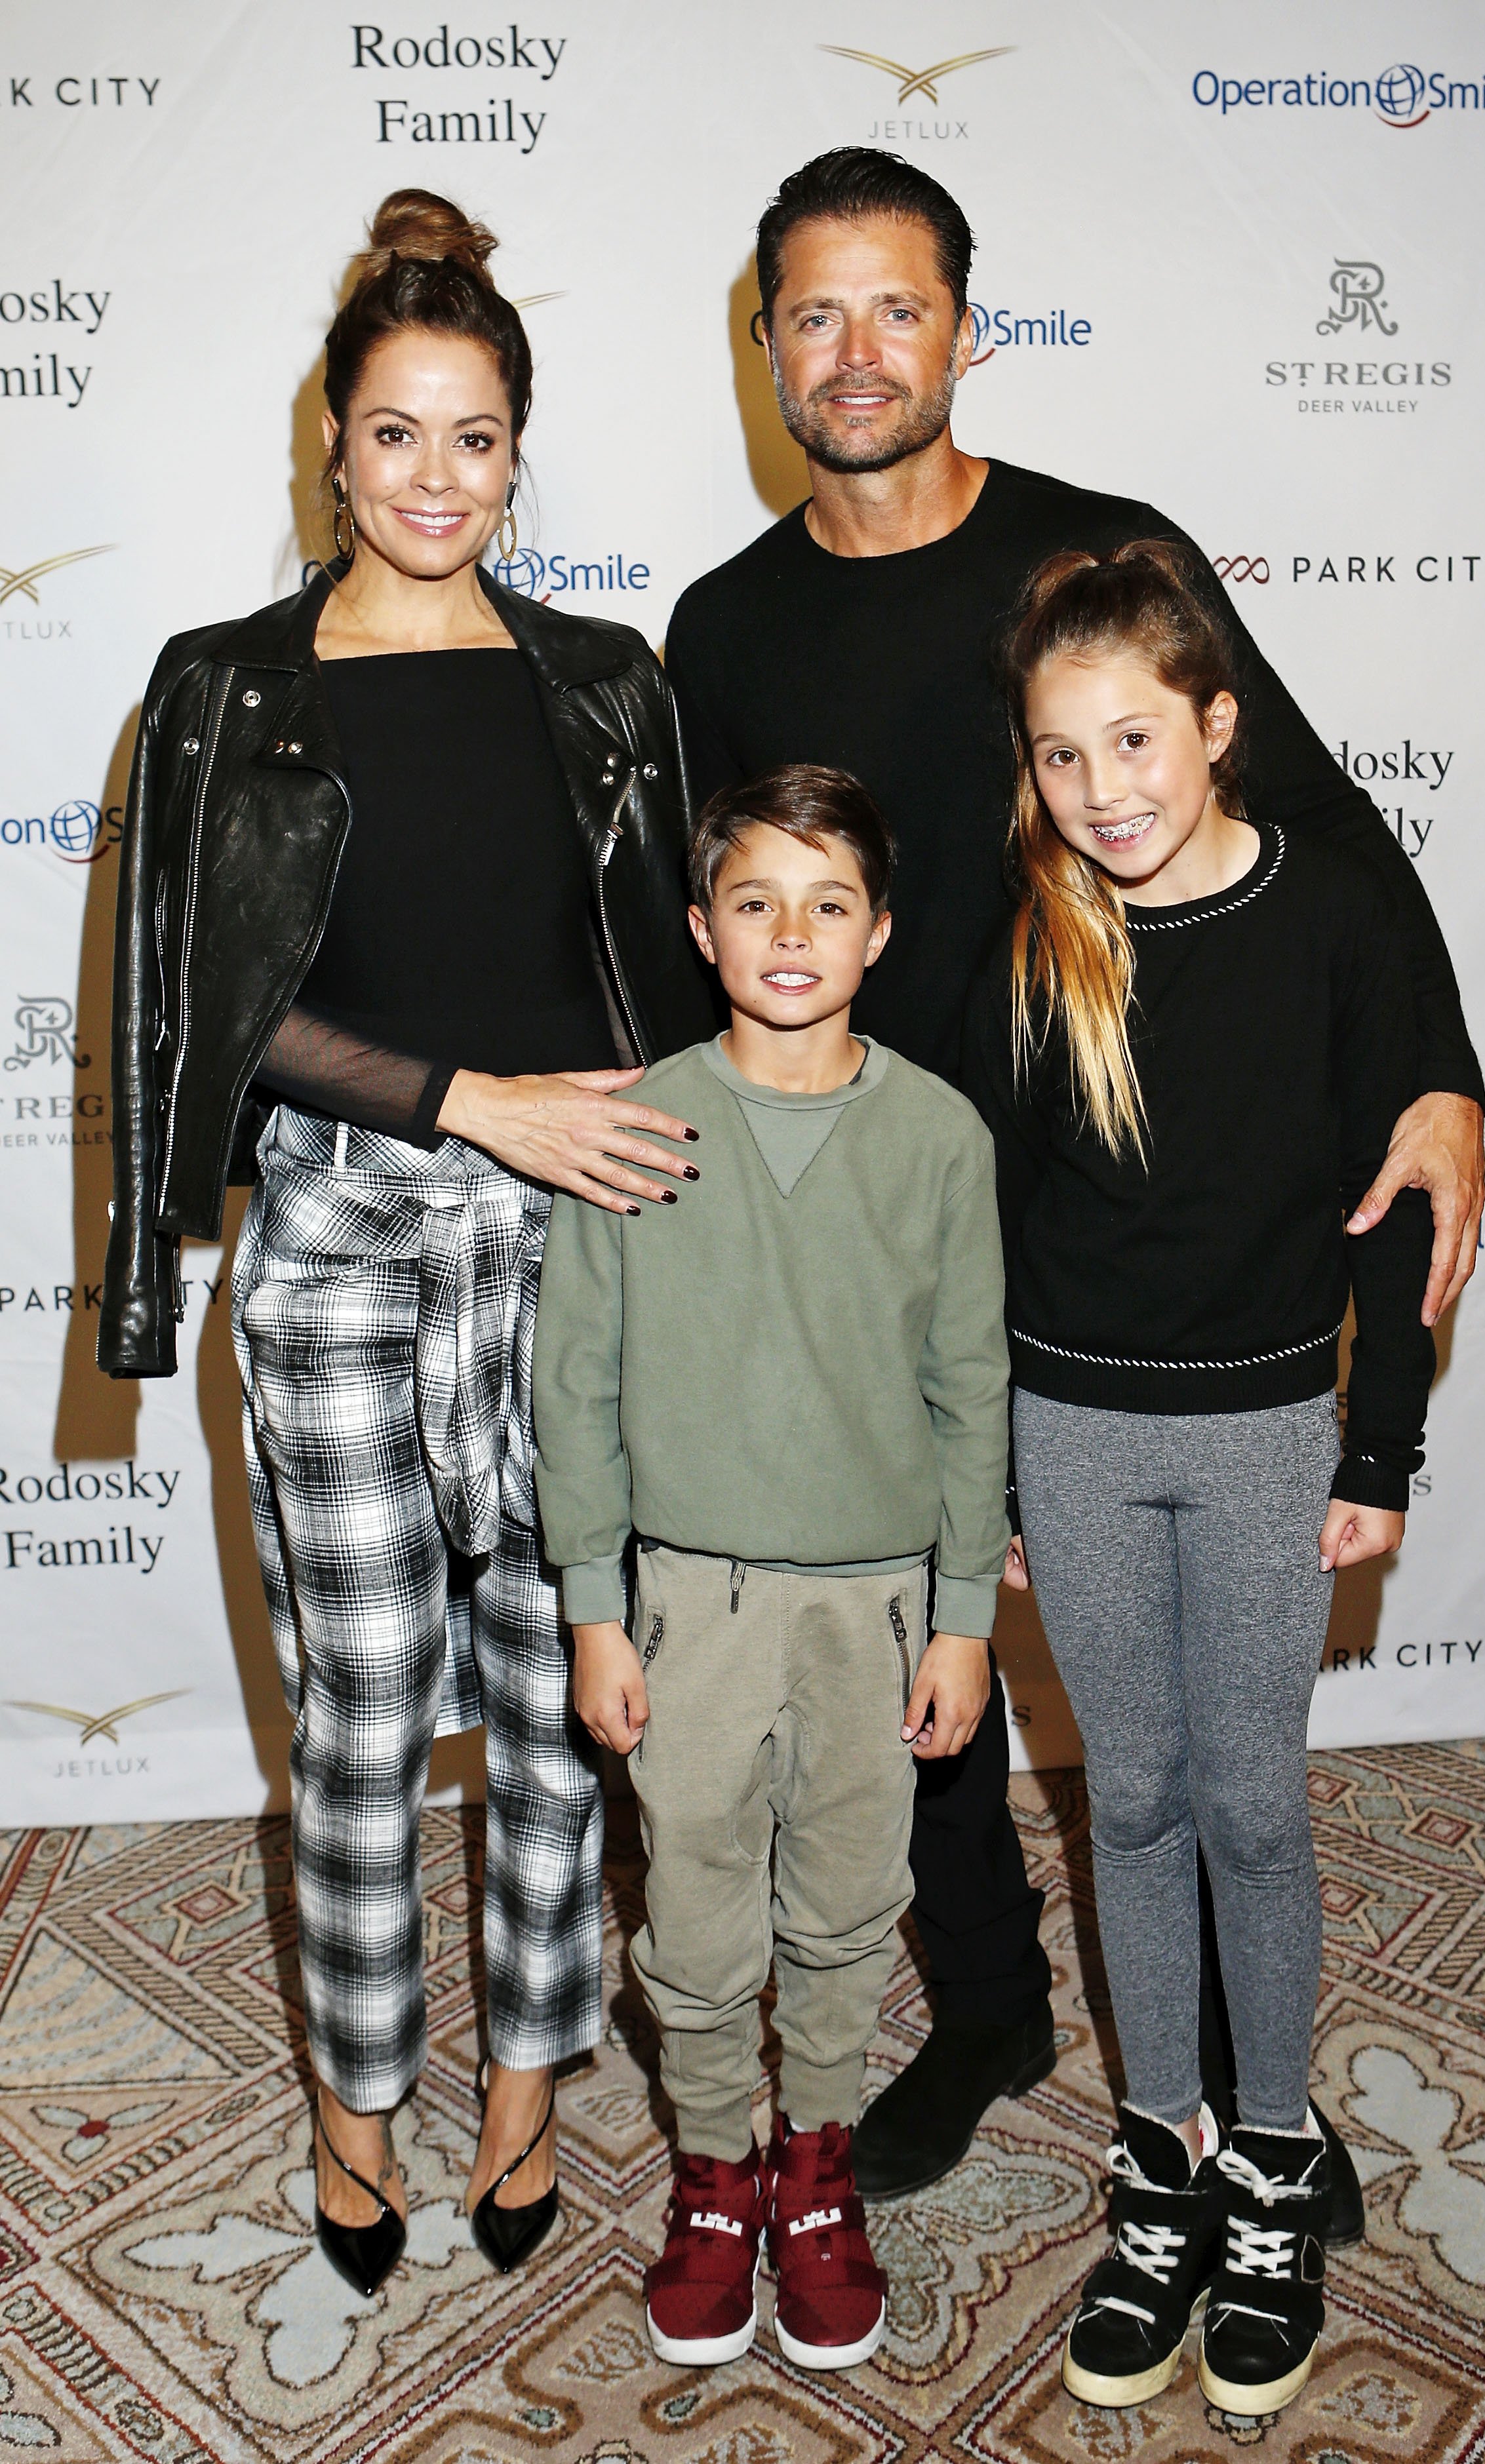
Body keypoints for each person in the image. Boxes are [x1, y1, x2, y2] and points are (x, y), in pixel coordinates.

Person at [665, 146, 1485, 2215]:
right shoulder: (725, 623)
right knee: (896, 1634)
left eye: (899, 307)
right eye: (815, 315)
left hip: (1107, 1213)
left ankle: (1242, 2105)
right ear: (764, 346)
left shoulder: (1103, 560)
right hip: (857, 1208)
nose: (857, 355)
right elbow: (698, 912)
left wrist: (1445, 1083)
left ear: (968, 326)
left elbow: (1333, 844)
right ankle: (995, 2002)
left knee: (1187, 1752)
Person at [99, 188, 714, 2296]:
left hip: (576, 1247)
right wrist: (464, 1103)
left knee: (559, 1707)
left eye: (473, 435)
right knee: (361, 1715)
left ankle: (529, 2098)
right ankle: (357, 2126)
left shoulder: (611, 686)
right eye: (394, 434)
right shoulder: (220, 691)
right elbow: (202, 1006)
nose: (434, 476)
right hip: (344, 1248)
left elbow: (687, 995)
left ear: (517, 453)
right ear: (329, 450)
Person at [962, 539, 1440, 2416]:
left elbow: (1396, 1209)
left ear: (1220, 727)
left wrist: (1380, 1440)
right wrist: (983, 1465)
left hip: (1261, 1436)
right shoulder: (1034, 936)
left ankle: (1266, 2165)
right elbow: (989, 1234)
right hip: (1071, 1435)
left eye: (1138, 742)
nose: (1106, 791)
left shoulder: (1334, 915)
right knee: (1130, 1806)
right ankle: (1155, 2161)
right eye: (1063, 757)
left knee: (1252, 1808)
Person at [532, 766, 1011, 2370]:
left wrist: (956, 1624)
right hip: (689, 1603)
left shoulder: (939, 1134)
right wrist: (598, 1612)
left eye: (826, 903)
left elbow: (968, 1387)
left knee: (848, 1895)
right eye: (752, 900)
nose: (788, 933)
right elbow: (575, 1387)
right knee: (694, 1902)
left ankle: (817, 2160)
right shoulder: (634, 1127)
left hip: (875, 1604)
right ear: (699, 925)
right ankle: (715, 2163)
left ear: (878, 931)